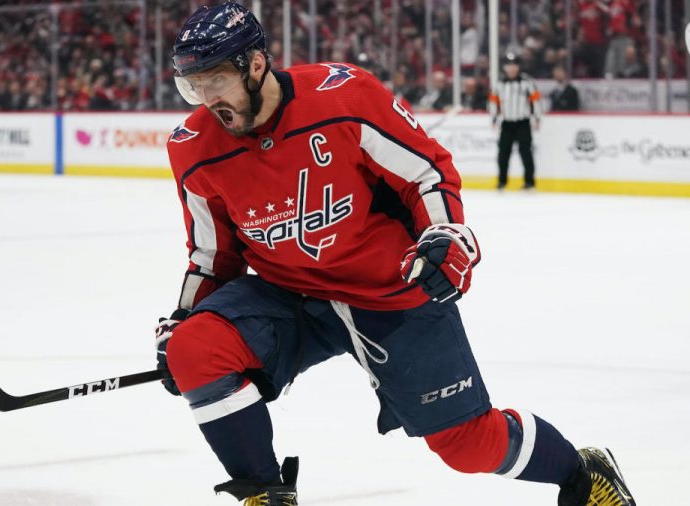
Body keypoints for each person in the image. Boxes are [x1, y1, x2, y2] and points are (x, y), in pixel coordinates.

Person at [157, 3, 635, 505]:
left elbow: (426, 173)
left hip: (388, 287)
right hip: (289, 296)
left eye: (214, 80)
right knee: (196, 348)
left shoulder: (344, 97)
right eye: (192, 86)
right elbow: (215, 255)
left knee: (468, 445)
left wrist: (443, 237)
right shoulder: (192, 147)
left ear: (255, 65)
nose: (205, 99)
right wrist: (183, 320)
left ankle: (583, 475)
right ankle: (264, 495)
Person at [488, 52, 541, 191]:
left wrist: (537, 118)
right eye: (508, 65)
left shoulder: (527, 82)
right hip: (506, 123)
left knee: (526, 153)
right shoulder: (499, 83)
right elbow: (494, 102)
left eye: (514, 65)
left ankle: (529, 182)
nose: (511, 68)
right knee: (503, 154)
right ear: (504, 67)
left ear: (518, 67)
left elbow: (535, 101)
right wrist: (494, 118)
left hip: (523, 122)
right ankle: (502, 181)